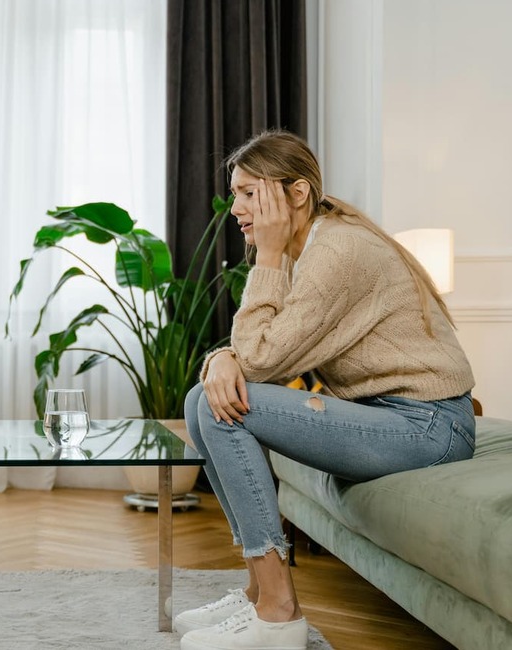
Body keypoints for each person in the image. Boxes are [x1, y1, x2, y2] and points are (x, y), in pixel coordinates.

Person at [176, 129, 476, 650]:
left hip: (428, 427)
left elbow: (262, 362)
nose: (237, 208)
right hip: (395, 417)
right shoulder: (307, 245)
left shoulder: (337, 251)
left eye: (251, 193)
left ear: (296, 194)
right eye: (236, 194)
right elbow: (255, 353)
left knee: (225, 406)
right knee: (201, 399)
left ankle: (279, 613)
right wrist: (221, 356)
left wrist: (264, 261)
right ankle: (256, 592)